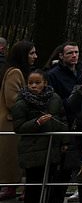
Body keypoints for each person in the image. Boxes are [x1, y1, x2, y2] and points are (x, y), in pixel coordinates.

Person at [12, 69, 69, 203]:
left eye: (37, 83)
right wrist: (37, 122)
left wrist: (65, 142)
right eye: (30, 83)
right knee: (33, 187)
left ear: (45, 83)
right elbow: (18, 127)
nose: (33, 86)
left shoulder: (55, 98)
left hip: (52, 148)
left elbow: (63, 120)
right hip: (32, 151)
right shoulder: (21, 102)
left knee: (50, 184)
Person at [1, 40, 36, 201]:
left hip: (15, 122)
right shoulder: (15, 72)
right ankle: (13, 187)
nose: (35, 56)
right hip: (12, 123)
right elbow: (12, 99)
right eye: (31, 53)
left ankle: (12, 187)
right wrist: (33, 102)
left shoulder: (18, 71)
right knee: (15, 158)